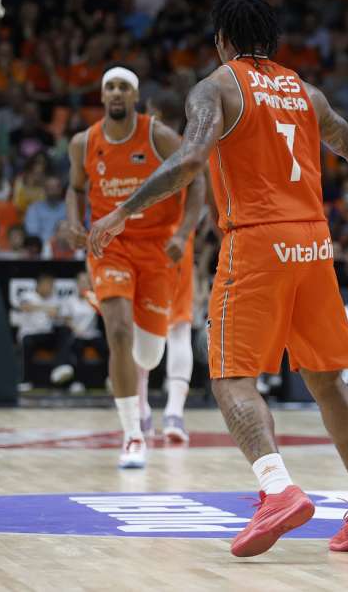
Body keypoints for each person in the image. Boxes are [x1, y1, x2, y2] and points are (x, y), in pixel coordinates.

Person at [88, 0, 348, 557]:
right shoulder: (307, 91)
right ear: (272, 40)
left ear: (222, 41)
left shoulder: (216, 86)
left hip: (257, 241)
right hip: (313, 242)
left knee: (231, 378)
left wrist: (121, 209)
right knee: (328, 379)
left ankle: (277, 490)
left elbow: (187, 162)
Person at [65, 65, 204, 469]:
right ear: (102, 95)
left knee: (149, 354)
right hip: (109, 245)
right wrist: (75, 223)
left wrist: (182, 233)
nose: (116, 93)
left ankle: (144, 401)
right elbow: (76, 189)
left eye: (124, 87)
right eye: (110, 87)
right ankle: (132, 435)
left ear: (135, 95)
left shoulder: (157, 134)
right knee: (119, 330)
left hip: (158, 248)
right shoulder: (83, 142)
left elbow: (196, 178)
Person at [145, 88, 204, 442]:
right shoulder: (190, 148)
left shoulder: (144, 146)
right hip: (179, 243)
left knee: (145, 331)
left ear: (152, 112)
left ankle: (141, 416)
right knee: (178, 330)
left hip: (149, 244)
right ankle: (174, 415)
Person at [24, 176, 67, 246]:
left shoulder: (68, 208)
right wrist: (51, 241)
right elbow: (32, 233)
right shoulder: (34, 208)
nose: (53, 190)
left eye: (56, 187)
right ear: (44, 190)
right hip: (40, 249)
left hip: (65, 247)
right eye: (50, 187)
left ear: (61, 189)